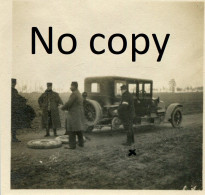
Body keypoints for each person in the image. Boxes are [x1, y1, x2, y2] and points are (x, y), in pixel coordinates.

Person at [61, 82, 85, 149]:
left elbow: (69, 103)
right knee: (78, 129)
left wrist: (62, 107)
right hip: (78, 114)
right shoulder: (79, 94)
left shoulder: (74, 94)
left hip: (73, 114)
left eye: (71, 86)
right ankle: (81, 143)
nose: (70, 87)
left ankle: (72, 146)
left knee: (71, 129)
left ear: (74, 86)